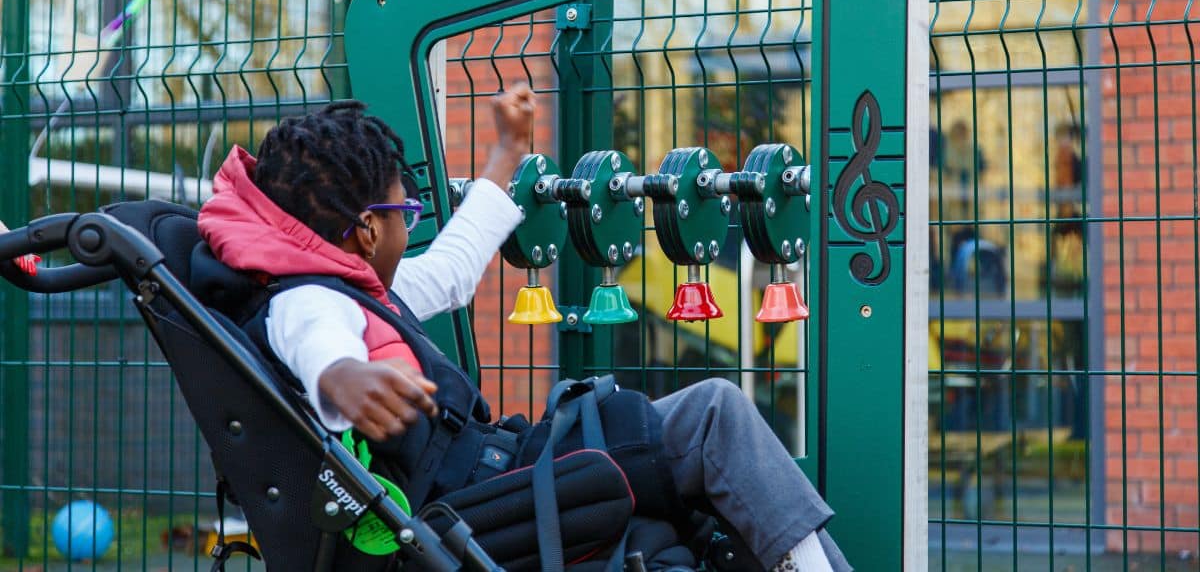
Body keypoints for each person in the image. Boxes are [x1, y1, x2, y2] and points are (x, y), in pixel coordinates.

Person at [193, 85, 849, 571]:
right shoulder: (309, 299)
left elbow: (450, 273)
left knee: (702, 460)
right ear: (367, 229)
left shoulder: (356, 287)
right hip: (487, 490)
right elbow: (315, 343)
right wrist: (346, 376)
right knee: (714, 416)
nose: (410, 226)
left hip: (500, 469)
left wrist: (507, 153)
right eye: (407, 213)